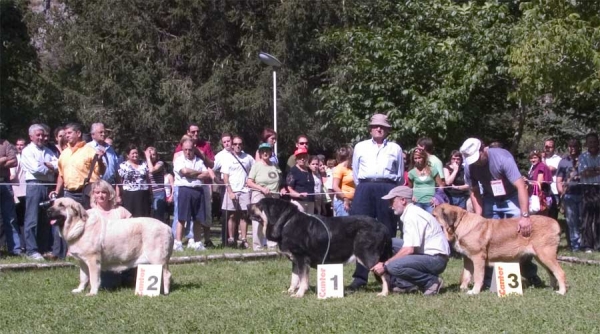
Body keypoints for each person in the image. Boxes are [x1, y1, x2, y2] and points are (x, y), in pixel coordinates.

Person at [460, 138, 542, 288]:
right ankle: (488, 281)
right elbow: (475, 192)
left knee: (522, 237)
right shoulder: (470, 166)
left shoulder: (502, 158)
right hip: (490, 199)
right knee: (487, 242)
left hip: (512, 198)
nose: (476, 162)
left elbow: (521, 187)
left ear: (483, 149)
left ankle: (530, 275)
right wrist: (478, 216)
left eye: (477, 158)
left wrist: (524, 216)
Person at [348, 113, 403, 292]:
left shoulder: (395, 148)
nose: (379, 129)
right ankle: (360, 277)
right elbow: (356, 173)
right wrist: (365, 188)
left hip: (387, 187)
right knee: (360, 231)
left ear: (387, 130)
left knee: (387, 230)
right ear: (370, 128)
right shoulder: (360, 147)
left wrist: (390, 190)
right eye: (375, 126)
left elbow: (400, 174)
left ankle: (388, 273)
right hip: (365, 187)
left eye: (382, 126)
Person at [372, 186, 449, 295]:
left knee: (393, 266)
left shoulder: (412, 216)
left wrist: (385, 265)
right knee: (391, 243)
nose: (390, 206)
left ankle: (430, 282)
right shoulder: (412, 212)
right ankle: (404, 284)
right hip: (431, 255)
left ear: (403, 200)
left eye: (392, 201)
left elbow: (409, 249)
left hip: (435, 259)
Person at [87, 180, 136, 289]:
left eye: (104, 192)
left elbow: (135, 229)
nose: (101, 195)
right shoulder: (89, 214)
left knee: (132, 283)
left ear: (110, 194)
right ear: (93, 195)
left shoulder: (121, 211)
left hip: (126, 255)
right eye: (97, 192)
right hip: (104, 260)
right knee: (109, 286)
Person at [172, 124, 215, 247]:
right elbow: (184, 172)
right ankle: (178, 243)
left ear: (193, 149)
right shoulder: (179, 159)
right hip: (184, 190)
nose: (188, 152)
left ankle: (197, 243)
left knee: (197, 218)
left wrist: (193, 174)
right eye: (185, 149)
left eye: (190, 149)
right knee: (182, 218)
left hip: (198, 190)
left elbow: (207, 174)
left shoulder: (199, 160)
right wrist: (199, 173)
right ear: (182, 148)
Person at [21, 124, 59, 260]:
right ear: (31, 136)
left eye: (43, 135)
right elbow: (36, 169)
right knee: (32, 218)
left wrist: (50, 166)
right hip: (34, 185)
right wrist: (49, 167)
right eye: (38, 135)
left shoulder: (49, 151)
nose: (41, 137)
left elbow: (58, 165)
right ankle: (31, 250)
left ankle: (43, 248)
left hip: (48, 186)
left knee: (45, 218)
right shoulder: (27, 151)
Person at [51, 123, 105, 210]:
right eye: (65, 134)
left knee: (88, 220)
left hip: (87, 193)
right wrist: (57, 191)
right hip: (69, 194)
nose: (66, 136)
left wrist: (100, 160)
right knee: (72, 221)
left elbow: (101, 172)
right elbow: (61, 175)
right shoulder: (64, 153)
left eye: (69, 133)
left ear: (78, 133)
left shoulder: (90, 151)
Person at [247, 142, 284, 251]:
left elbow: (280, 180)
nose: (265, 153)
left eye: (267, 150)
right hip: (259, 195)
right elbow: (249, 182)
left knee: (272, 220)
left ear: (271, 152)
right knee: (258, 221)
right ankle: (257, 246)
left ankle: (272, 245)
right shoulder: (256, 165)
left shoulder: (275, 165)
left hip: (273, 197)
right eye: (263, 151)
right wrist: (261, 188)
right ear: (260, 153)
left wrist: (281, 188)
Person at [221, 136, 254, 248]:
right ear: (232, 145)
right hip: (232, 190)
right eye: (235, 144)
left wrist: (250, 181)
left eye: (239, 144)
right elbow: (225, 177)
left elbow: (254, 170)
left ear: (242, 145)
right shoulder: (228, 159)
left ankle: (244, 239)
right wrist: (229, 191)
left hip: (244, 190)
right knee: (231, 215)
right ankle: (231, 239)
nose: (237, 146)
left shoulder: (248, 158)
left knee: (244, 216)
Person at [556, 138, 583, 251]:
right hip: (569, 195)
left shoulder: (584, 158)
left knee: (583, 220)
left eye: (575, 146)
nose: (572, 148)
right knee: (572, 222)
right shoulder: (563, 161)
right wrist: (562, 192)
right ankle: (575, 246)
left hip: (583, 194)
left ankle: (584, 245)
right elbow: (558, 179)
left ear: (579, 147)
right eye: (570, 146)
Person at [0, 137, 22, 256]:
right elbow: (9, 160)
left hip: (6, 183)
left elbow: (14, 161)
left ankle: (15, 250)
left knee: (11, 218)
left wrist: (3, 161)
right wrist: (3, 159)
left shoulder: (6, 143)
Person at [578, 132, 600, 252]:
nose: (592, 144)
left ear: (598, 142)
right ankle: (587, 245)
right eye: (590, 142)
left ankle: (598, 244)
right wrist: (596, 170)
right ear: (586, 144)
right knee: (587, 218)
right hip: (587, 189)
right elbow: (584, 173)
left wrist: (591, 170)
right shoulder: (583, 157)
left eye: (594, 141)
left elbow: (588, 171)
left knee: (599, 218)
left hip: (599, 188)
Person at [210, 132, 233, 245]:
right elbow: (210, 167)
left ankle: (235, 239)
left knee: (237, 215)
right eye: (224, 142)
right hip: (226, 188)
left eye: (228, 141)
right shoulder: (220, 155)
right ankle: (225, 240)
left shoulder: (240, 153)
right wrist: (216, 180)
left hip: (239, 188)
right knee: (226, 214)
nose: (227, 143)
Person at [117, 144, 151, 218]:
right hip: (129, 195)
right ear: (127, 155)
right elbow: (119, 182)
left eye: (136, 153)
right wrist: (118, 195)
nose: (135, 155)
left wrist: (151, 191)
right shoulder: (123, 165)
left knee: (143, 217)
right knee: (131, 217)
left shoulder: (144, 164)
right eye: (133, 153)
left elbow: (148, 178)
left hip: (143, 194)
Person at [407, 148, 444, 214]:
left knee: (433, 221)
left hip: (431, 202)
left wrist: (437, 197)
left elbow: (441, 185)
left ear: (424, 158)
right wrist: (412, 196)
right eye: (415, 158)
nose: (417, 160)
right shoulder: (411, 173)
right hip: (417, 202)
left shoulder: (433, 170)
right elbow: (410, 188)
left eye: (419, 158)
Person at [285, 147, 315, 213]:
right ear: (296, 159)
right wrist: (298, 195)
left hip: (310, 202)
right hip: (298, 203)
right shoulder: (293, 171)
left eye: (304, 157)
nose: (302, 159)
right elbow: (289, 189)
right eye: (300, 157)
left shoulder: (309, 170)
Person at [527, 150, 553, 216]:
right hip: (533, 195)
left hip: (541, 196)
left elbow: (538, 183)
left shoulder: (541, 166)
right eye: (531, 158)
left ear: (539, 158)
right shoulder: (533, 167)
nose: (533, 160)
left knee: (541, 218)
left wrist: (527, 182)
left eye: (535, 158)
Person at [332, 145, 355, 217]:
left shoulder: (351, 168)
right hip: (342, 202)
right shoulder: (339, 168)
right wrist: (345, 198)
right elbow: (335, 186)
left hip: (352, 202)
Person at [145, 146, 167, 222]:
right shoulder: (144, 164)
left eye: (153, 155)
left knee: (158, 217)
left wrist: (148, 158)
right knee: (150, 217)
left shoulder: (160, 163)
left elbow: (152, 170)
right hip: (149, 193)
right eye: (149, 154)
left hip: (159, 193)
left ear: (157, 155)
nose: (151, 157)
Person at [543, 138, 562, 220]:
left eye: (549, 147)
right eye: (546, 146)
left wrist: (542, 160)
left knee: (552, 214)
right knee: (543, 213)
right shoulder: (539, 158)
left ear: (554, 148)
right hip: (542, 190)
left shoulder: (557, 159)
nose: (547, 148)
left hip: (553, 191)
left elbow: (548, 170)